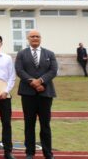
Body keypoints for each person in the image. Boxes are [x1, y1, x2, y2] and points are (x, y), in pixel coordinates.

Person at [15, 30, 58, 159]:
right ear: (28, 38)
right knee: (29, 124)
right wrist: (32, 82)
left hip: (45, 93)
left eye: (37, 36)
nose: (35, 38)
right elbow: (19, 70)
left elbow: (53, 71)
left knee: (45, 124)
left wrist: (40, 81)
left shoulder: (49, 54)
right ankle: (29, 152)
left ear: (41, 38)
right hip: (28, 94)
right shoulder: (22, 54)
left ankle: (48, 153)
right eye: (32, 36)